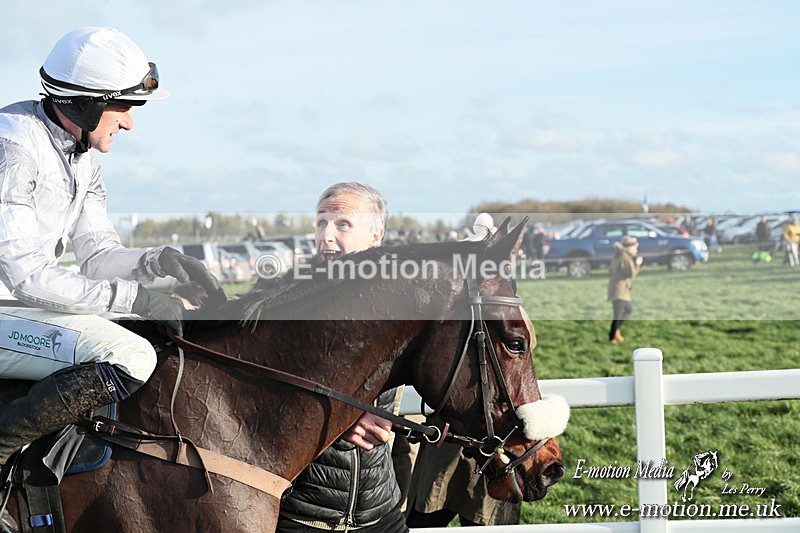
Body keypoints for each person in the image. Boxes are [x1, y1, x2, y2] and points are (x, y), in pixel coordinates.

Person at [0, 27, 225, 469]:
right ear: (84, 105)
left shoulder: (84, 156)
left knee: (149, 334)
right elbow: (27, 278)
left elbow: (99, 255)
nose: (129, 122)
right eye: (122, 106)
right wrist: (140, 298)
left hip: (15, 307)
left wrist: (159, 261)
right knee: (131, 355)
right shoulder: (13, 148)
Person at [276, 182, 408, 533]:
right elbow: (262, 389)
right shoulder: (289, 303)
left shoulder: (398, 306)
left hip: (380, 512)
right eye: (321, 223)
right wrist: (341, 415)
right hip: (301, 513)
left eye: (342, 224)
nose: (326, 236)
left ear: (376, 234)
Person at [396, 213, 521, 528]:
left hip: (492, 435)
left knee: (481, 518)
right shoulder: (450, 313)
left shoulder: (506, 311)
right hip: (448, 434)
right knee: (428, 518)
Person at [608, 235, 643, 344]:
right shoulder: (625, 257)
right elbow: (631, 274)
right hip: (620, 290)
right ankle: (612, 337)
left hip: (619, 288)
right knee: (618, 314)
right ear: (629, 247)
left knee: (628, 310)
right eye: (635, 247)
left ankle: (616, 332)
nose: (636, 250)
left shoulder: (619, 255)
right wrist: (637, 264)